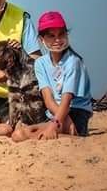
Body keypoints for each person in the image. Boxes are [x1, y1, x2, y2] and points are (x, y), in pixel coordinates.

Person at [14, 11, 93, 140]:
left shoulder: (73, 62)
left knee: (28, 136)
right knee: (19, 135)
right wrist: (59, 121)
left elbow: (67, 99)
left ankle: (77, 137)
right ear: (41, 39)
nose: (57, 40)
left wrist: (56, 123)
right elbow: (48, 99)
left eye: (61, 34)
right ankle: (68, 134)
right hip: (55, 112)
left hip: (75, 112)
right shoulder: (40, 63)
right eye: (51, 36)